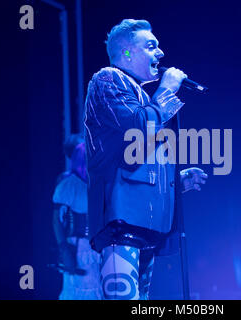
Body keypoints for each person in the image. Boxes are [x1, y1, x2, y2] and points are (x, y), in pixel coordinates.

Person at [84, 19, 208, 300]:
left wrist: (176, 180)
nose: (161, 53)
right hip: (121, 223)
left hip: (144, 224)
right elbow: (137, 127)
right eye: (151, 46)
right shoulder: (108, 79)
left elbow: (137, 151)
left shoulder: (139, 94)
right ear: (127, 53)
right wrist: (167, 90)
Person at [52, 137, 102, 300]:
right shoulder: (68, 182)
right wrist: (64, 250)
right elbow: (56, 220)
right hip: (80, 247)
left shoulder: (96, 180)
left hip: (98, 246)